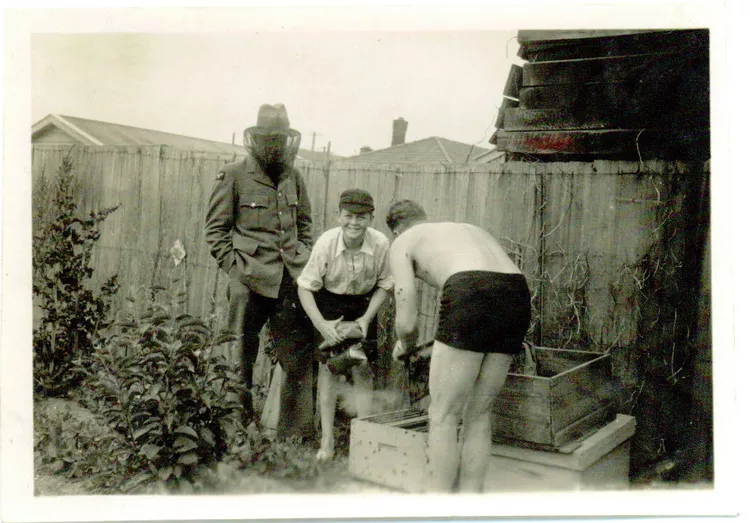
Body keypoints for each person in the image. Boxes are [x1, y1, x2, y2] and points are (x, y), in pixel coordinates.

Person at [385, 200, 531, 493]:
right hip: (516, 291)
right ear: (425, 218)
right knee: (478, 415)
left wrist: (406, 347)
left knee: (443, 416)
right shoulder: (465, 230)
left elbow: (407, 319)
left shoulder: (402, 241)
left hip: (471, 288)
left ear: (396, 230)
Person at [204, 103, 316, 440]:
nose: (274, 145)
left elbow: (305, 224)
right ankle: (239, 429)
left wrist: (303, 254)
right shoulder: (234, 174)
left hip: (289, 281)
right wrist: (235, 269)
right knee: (240, 356)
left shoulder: (293, 176)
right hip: (248, 281)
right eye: (268, 138)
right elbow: (215, 230)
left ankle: (292, 438)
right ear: (256, 138)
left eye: (280, 139)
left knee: (297, 359)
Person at [297, 189, 394, 461]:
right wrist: (322, 325)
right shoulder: (326, 243)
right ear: (338, 216)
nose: (354, 223)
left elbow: (385, 284)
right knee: (330, 372)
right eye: (348, 216)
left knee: (362, 369)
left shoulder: (381, 244)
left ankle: (365, 440)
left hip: (364, 305)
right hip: (329, 305)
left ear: (371, 219)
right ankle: (327, 442)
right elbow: (305, 287)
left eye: (361, 217)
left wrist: (366, 318)